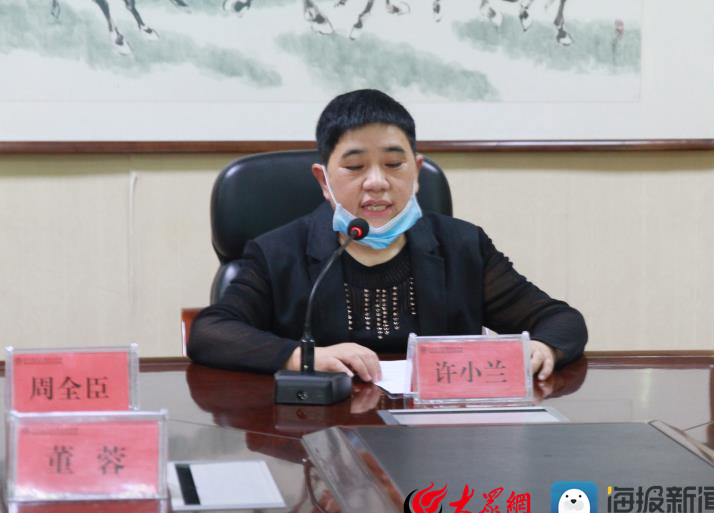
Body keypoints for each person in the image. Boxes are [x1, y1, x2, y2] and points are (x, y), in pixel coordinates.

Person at [188, 89, 587, 382]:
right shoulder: (279, 252)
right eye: (355, 167)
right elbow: (210, 333)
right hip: (320, 432)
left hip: (440, 433)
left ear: (417, 171)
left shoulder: (463, 246)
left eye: (394, 164)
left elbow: (560, 320)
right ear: (323, 181)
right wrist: (303, 357)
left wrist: (543, 348)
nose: (377, 182)